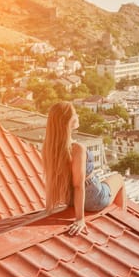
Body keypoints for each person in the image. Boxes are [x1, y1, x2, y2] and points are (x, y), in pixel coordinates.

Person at [42, 101, 126, 236]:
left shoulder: (49, 148)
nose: (78, 115)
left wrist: (47, 210)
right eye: (75, 113)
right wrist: (80, 219)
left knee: (105, 180)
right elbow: (78, 185)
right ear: (67, 121)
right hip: (92, 197)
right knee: (119, 179)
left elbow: (51, 179)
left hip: (69, 199)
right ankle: (123, 225)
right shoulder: (77, 149)